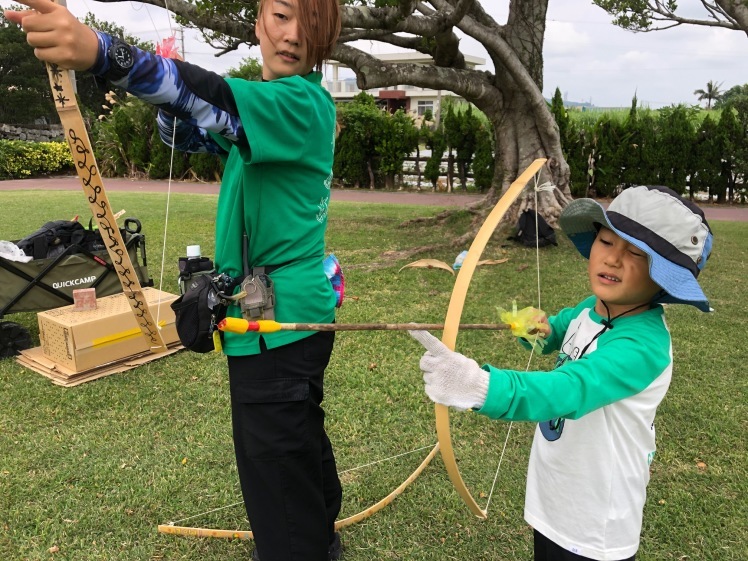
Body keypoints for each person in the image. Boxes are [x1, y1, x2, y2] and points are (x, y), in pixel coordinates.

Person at [6, 1, 344, 559]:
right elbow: (187, 130)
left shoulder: (300, 103)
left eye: (310, 22)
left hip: (276, 322)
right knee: (298, 434)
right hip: (290, 317)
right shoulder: (274, 110)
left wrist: (99, 52)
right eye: (282, 15)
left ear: (326, 34)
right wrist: (167, 89)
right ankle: (321, 534)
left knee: (276, 462)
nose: (293, 35)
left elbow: (209, 97)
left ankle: (301, 546)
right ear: (259, 19)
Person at [410, 185, 713, 561]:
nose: (613, 259)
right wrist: (535, 328)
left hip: (596, 520)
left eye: (636, 252)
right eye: (606, 241)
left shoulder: (642, 347)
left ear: (664, 277)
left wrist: (479, 387)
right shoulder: (592, 307)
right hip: (556, 494)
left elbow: (571, 388)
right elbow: (557, 332)